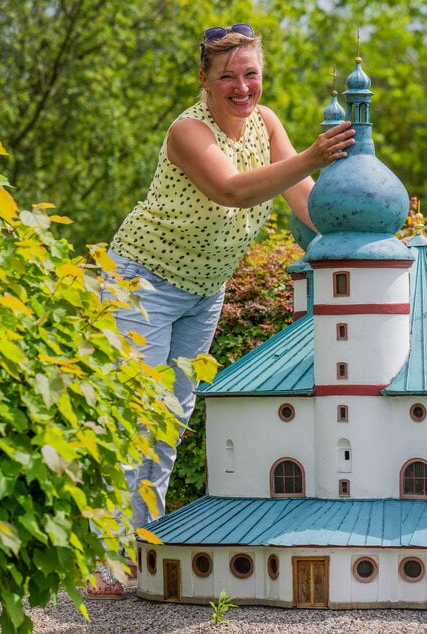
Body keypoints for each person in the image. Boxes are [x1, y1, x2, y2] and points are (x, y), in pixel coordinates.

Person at [86, 22, 354, 599]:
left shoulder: (267, 122)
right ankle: (97, 558)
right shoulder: (188, 130)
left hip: (205, 290)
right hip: (141, 283)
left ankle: (142, 550)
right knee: (131, 420)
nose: (242, 87)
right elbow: (231, 190)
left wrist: (362, 235)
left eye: (251, 74)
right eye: (227, 76)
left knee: (168, 423)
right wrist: (312, 155)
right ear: (205, 80)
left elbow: (300, 197)